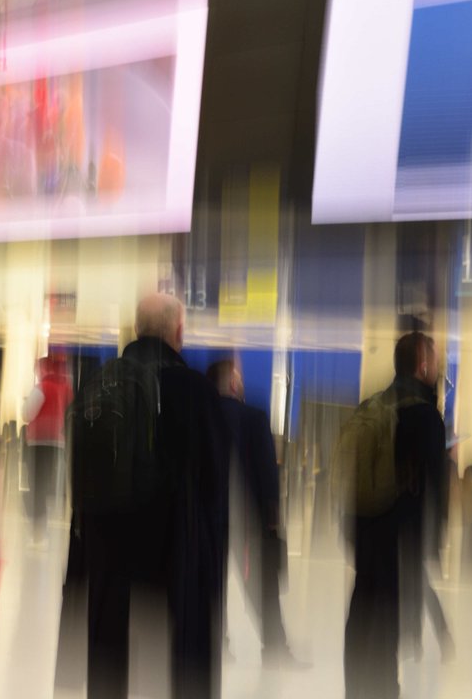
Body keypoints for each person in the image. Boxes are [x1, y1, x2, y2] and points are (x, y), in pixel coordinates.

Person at [72, 293, 229, 699]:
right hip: (175, 557)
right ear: (179, 331)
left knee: (110, 658)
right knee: (181, 667)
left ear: (138, 329)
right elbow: (214, 487)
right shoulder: (196, 391)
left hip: (108, 553)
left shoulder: (99, 382)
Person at [342, 331, 446, 699]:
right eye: (434, 362)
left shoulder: (370, 405)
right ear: (422, 365)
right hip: (401, 538)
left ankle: (356, 689)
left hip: (366, 528)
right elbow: (434, 487)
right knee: (388, 627)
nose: (437, 369)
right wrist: (433, 543)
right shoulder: (425, 416)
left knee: (362, 612)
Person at [206, 360, 306, 669]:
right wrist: (272, 516)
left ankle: (217, 646)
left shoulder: (202, 417)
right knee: (262, 589)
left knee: (212, 586)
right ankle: (274, 649)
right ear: (234, 385)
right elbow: (266, 471)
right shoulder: (253, 417)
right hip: (249, 521)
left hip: (209, 517)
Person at [23, 354, 73, 546]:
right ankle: (42, 532)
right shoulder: (66, 389)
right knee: (45, 487)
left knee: (36, 487)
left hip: (38, 443)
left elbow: (27, 413)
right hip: (58, 444)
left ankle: (38, 533)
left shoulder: (42, 387)